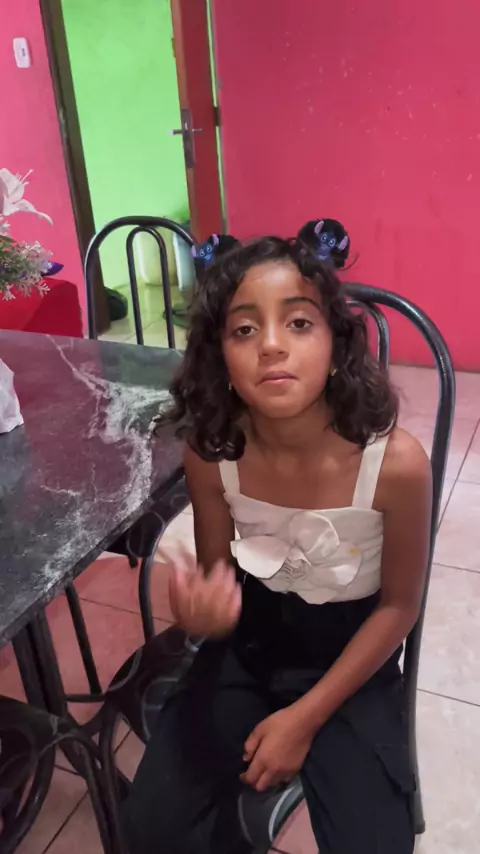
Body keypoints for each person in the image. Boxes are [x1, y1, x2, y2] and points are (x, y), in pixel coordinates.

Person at [123, 236, 432, 854]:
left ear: (336, 347)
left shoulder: (395, 466)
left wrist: (303, 719)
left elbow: (400, 606)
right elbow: (218, 578)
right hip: (250, 648)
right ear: (220, 358)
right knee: (149, 828)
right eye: (244, 330)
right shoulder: (213, 454)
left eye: (298, 323)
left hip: (352, 663)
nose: (270, 344)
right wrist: (205, 613)